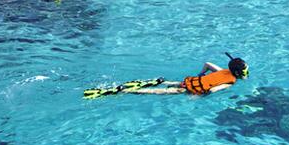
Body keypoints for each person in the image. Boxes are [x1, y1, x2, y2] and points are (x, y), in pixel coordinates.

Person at [85, 55, 249, 99]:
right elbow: (212, 90)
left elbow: (207, 63)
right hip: (191, 90)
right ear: (237, 74)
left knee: (174, 84)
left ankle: (162, 81)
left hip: (190, 81)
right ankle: (125, 91)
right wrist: (198, 98)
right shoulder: (230, 83)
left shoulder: (221, 71)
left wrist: (201, 75)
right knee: (159, 93)